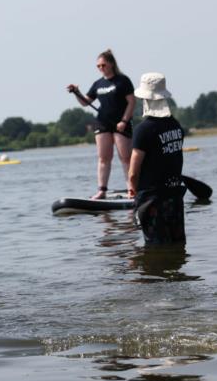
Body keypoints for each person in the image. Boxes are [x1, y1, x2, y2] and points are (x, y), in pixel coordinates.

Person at [67, 49, 136, 199]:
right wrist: (77, 93)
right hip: (103, 123)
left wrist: (124, 120)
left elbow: (132, 102)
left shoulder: (123, 80)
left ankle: (132, 188)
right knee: (104, 158)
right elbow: (86, 103)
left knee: (125, 158)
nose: (101, 68)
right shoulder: (98, 84)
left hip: (120, 124)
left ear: (111, 64)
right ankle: (102, 190)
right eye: (98, 66)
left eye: (103, 65)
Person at [127, 73, 186, 245]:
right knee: (177, 246)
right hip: (175, 198)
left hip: (152, 202)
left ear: (145, 100)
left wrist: (133, 190)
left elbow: (132, 172)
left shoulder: (143, 130)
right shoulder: (176, 125)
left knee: (155, 250)